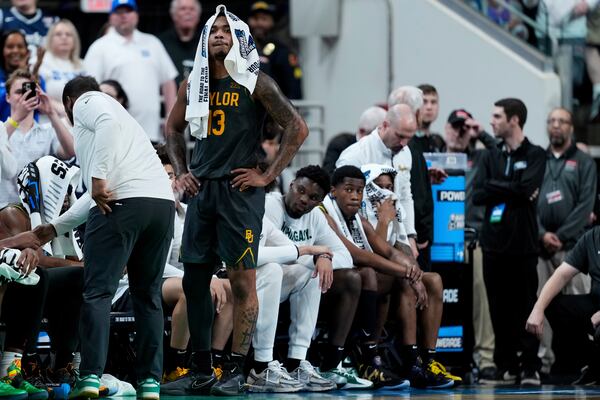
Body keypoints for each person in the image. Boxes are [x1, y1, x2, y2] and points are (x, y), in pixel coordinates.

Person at [161, 5, 308, 396]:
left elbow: (297, 126)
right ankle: (202, 366)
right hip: (202, 190)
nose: (219, 35)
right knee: (195, 281)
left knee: (243, 283)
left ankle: (239, 369)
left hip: (240, 192)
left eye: (227, 30)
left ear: (239, 38)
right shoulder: (193, 83)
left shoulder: (255, 82)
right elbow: (173, 128)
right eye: (214, 31)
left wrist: (268, 174)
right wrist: (183, 169)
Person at [32, 75, 175, 399]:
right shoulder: (128, 128)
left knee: (97, 291)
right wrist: (55, 228)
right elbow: (97, 196)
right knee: (147, 296)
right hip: (161, 206)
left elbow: (102, 188)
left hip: (124, 206)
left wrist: (96, 180)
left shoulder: (88, 101)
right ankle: (150, 382)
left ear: (69, 102)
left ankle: (90, 377)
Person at [323, 166, 456, 389]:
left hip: (361, 278)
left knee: (431, 280)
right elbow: (361, 255)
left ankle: (424, 359)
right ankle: (371, 356)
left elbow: (392, 250)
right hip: (330, 283)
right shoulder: (327, 213)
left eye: (358, 191)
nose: (355, 195)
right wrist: (405, 272)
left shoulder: (363, 215)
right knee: (379, 276)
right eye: (349, 190)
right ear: (334, 191)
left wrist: (414, 274)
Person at [253, 166, 357, 392]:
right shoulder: (270, 205)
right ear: (291, 185)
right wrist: (314, 254)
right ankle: (260, 366)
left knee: (313, 272)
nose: (303, 199)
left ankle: (296, 362)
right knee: (277, 269)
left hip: (282, 281)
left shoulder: (316, 217)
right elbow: (262, 255)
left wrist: (323, 257)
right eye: (300, 190)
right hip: (257, 278)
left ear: (320, 201)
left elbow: (345, 256)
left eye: (313, 198)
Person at [473, 98, 546, 385]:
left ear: (514, 120)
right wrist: (511, 189)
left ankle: (530, 366)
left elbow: (527, 188)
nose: (491, 121)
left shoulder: (536, 153)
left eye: (497, 116)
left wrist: (500, 188)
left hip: (524, 245)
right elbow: (479, 193)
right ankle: (505, 365)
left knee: (527, 306)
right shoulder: (490, 156)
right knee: (497, 307)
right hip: (493, 244)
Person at [536, 107, 597, 374]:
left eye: (562, 121)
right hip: (542, 249)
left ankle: (583, 363)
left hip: (576, 247)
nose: (556, 126)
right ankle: (547, 362)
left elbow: (586, 205)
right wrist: (541, 234)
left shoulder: (584, 161)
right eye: (551, 121)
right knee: (545, 304)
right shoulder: (540, 160)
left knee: (582, 311)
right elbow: (531, 201)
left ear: (571, 126)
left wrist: (561, 236)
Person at [443, 108, 498, 381]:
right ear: (446, 128)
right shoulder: (433, 157)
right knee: (442, 298)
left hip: (471, 239)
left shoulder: (482, 158)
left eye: (464, 128)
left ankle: (485, 356)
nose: (459, 132)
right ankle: (437, 355)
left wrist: (482, 135)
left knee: (480, 298)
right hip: (441, 240)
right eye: (455, 126)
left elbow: (502, 154)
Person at [84, 0, 177, 143]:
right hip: (114, 133)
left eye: (128, 11)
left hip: (150, 132)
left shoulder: (153, 43)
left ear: (136, 15)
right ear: (111, 17)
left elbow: (168, 81)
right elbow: (89, 89)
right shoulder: (99, 47)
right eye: (119, 12)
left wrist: (170, 115)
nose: (124, 16)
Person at [526, 227, 600, 384]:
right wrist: (538, 309)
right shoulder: (592, 237)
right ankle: (594, 366)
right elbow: (561, 274)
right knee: (554, 306)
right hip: (595, 303)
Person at [0, 69, 74, 208]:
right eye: (19, 92)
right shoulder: (2, 129)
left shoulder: (48, 131)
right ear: (8, 97)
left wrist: (51, 112)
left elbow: (70, 151)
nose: (24, 96)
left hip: (38, 212)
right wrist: (16, 118)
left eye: (29, 91)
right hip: (3, 211)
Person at [248, 1, 302, 99]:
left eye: (264, 19)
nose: (259, 23)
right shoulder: (242, 48)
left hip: (275, 106)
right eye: (255, 19)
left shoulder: (282, 50)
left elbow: (293, 86)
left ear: (272, 22)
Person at [38, 19, 85, 118]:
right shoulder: (40, 62)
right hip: (48, 123)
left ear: (74, 40)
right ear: (50, 39)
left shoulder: (82, 64)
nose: (64, 37)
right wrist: (65, 111)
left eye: (68, 34)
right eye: (58, 34)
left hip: (79, 123)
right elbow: (36, 94)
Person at [322, 106, 386, 176]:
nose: (378, 139)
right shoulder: (340, 144)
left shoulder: (385, 148)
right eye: (375, 134)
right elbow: (328, 175)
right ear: (362, 131)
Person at [159, 0, 202, 86]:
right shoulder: (160, 43)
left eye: (192, 9)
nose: (188, 12)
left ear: (198, 16)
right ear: (173, 15)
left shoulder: (207, 44)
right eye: (183, 9)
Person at [410, 84, 445, 154]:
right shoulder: (406, 139)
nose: (429, 107)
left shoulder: (438, 141)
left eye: (433, 102)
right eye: (424, 102)